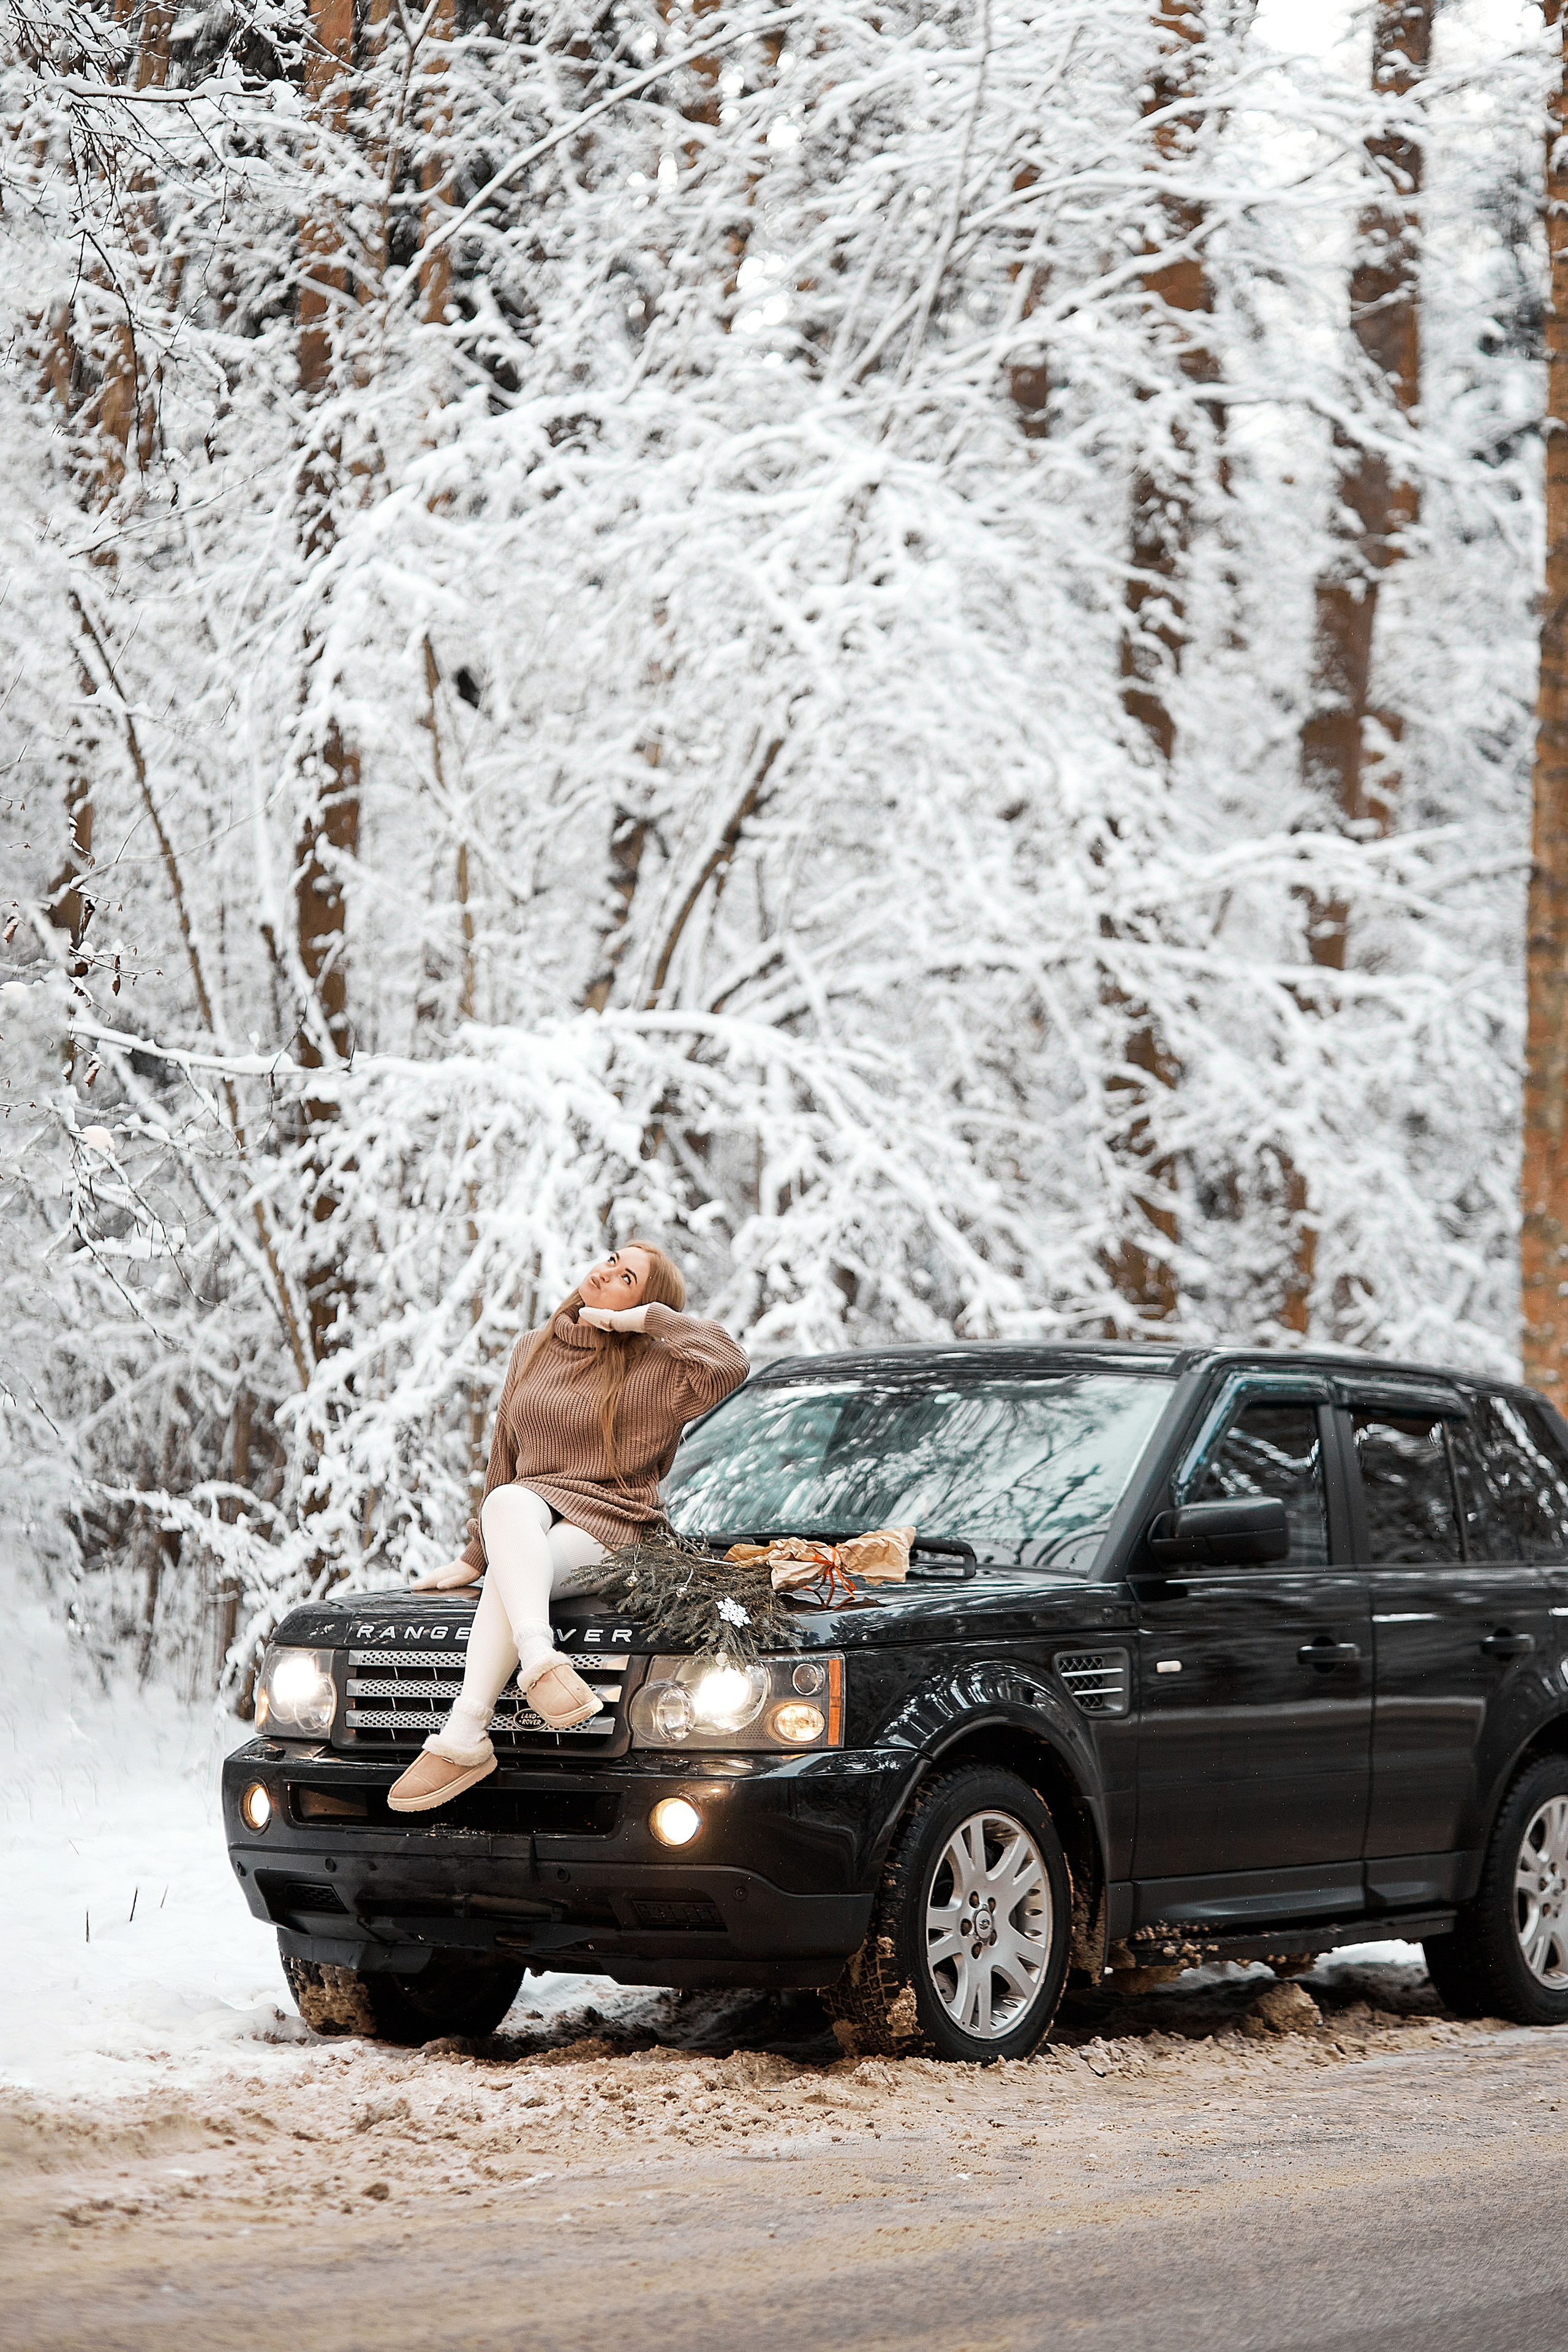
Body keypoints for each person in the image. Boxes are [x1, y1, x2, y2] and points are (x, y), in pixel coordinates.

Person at [388, 1243, 747, 1813]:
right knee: (507, 1500)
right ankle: (539, 1663)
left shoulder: (663, 1369)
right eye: (611, 1258)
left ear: (644, 1303)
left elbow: (730, 1362)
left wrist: (645, 1323)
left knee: (516, 1573)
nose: (606, 1271)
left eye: (627, 1276)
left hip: (615, 1522)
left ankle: (464, 1736)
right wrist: (475, 1558)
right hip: (529, 1511)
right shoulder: (533, 1349)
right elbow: (504, 1453)